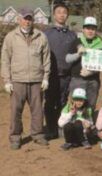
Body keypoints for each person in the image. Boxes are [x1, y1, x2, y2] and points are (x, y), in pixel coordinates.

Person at [1, 8, 50, 149]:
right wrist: (7, 80)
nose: (27, 22)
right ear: (19, 19)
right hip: (17, 80)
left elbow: (46, 59)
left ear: (33, 20)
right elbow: (5, 60)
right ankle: (15, 137)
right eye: (24, 18)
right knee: (16, 110)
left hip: (36, 80)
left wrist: (45, 77)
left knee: (37, 110)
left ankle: (38, 134)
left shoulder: (41, 36)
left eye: (30, 19)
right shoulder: (11, 37)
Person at [44, 3, 78, 139]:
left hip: (66, 75)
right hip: (51, 75)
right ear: (54, 15)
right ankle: (50, 128)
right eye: (59, 12)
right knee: (50, 103)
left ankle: (60, 128)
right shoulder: (46, 34)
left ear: (67, 15)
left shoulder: (72, 35)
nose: (62, 14)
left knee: (63, 102)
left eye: (64, 12)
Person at [66, 17, 102, 110]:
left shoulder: (101, 45)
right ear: (83, 29)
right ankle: (73, 124)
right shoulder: (77, 41)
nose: (90, 31)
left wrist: (92, 72)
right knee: (74, 106)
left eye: (93, 28)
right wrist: (78, 54)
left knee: (90, 106)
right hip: (77, 79)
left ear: (96, 30)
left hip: (93, 81)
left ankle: (88, 123)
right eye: (88, 28)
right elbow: (67, 59)